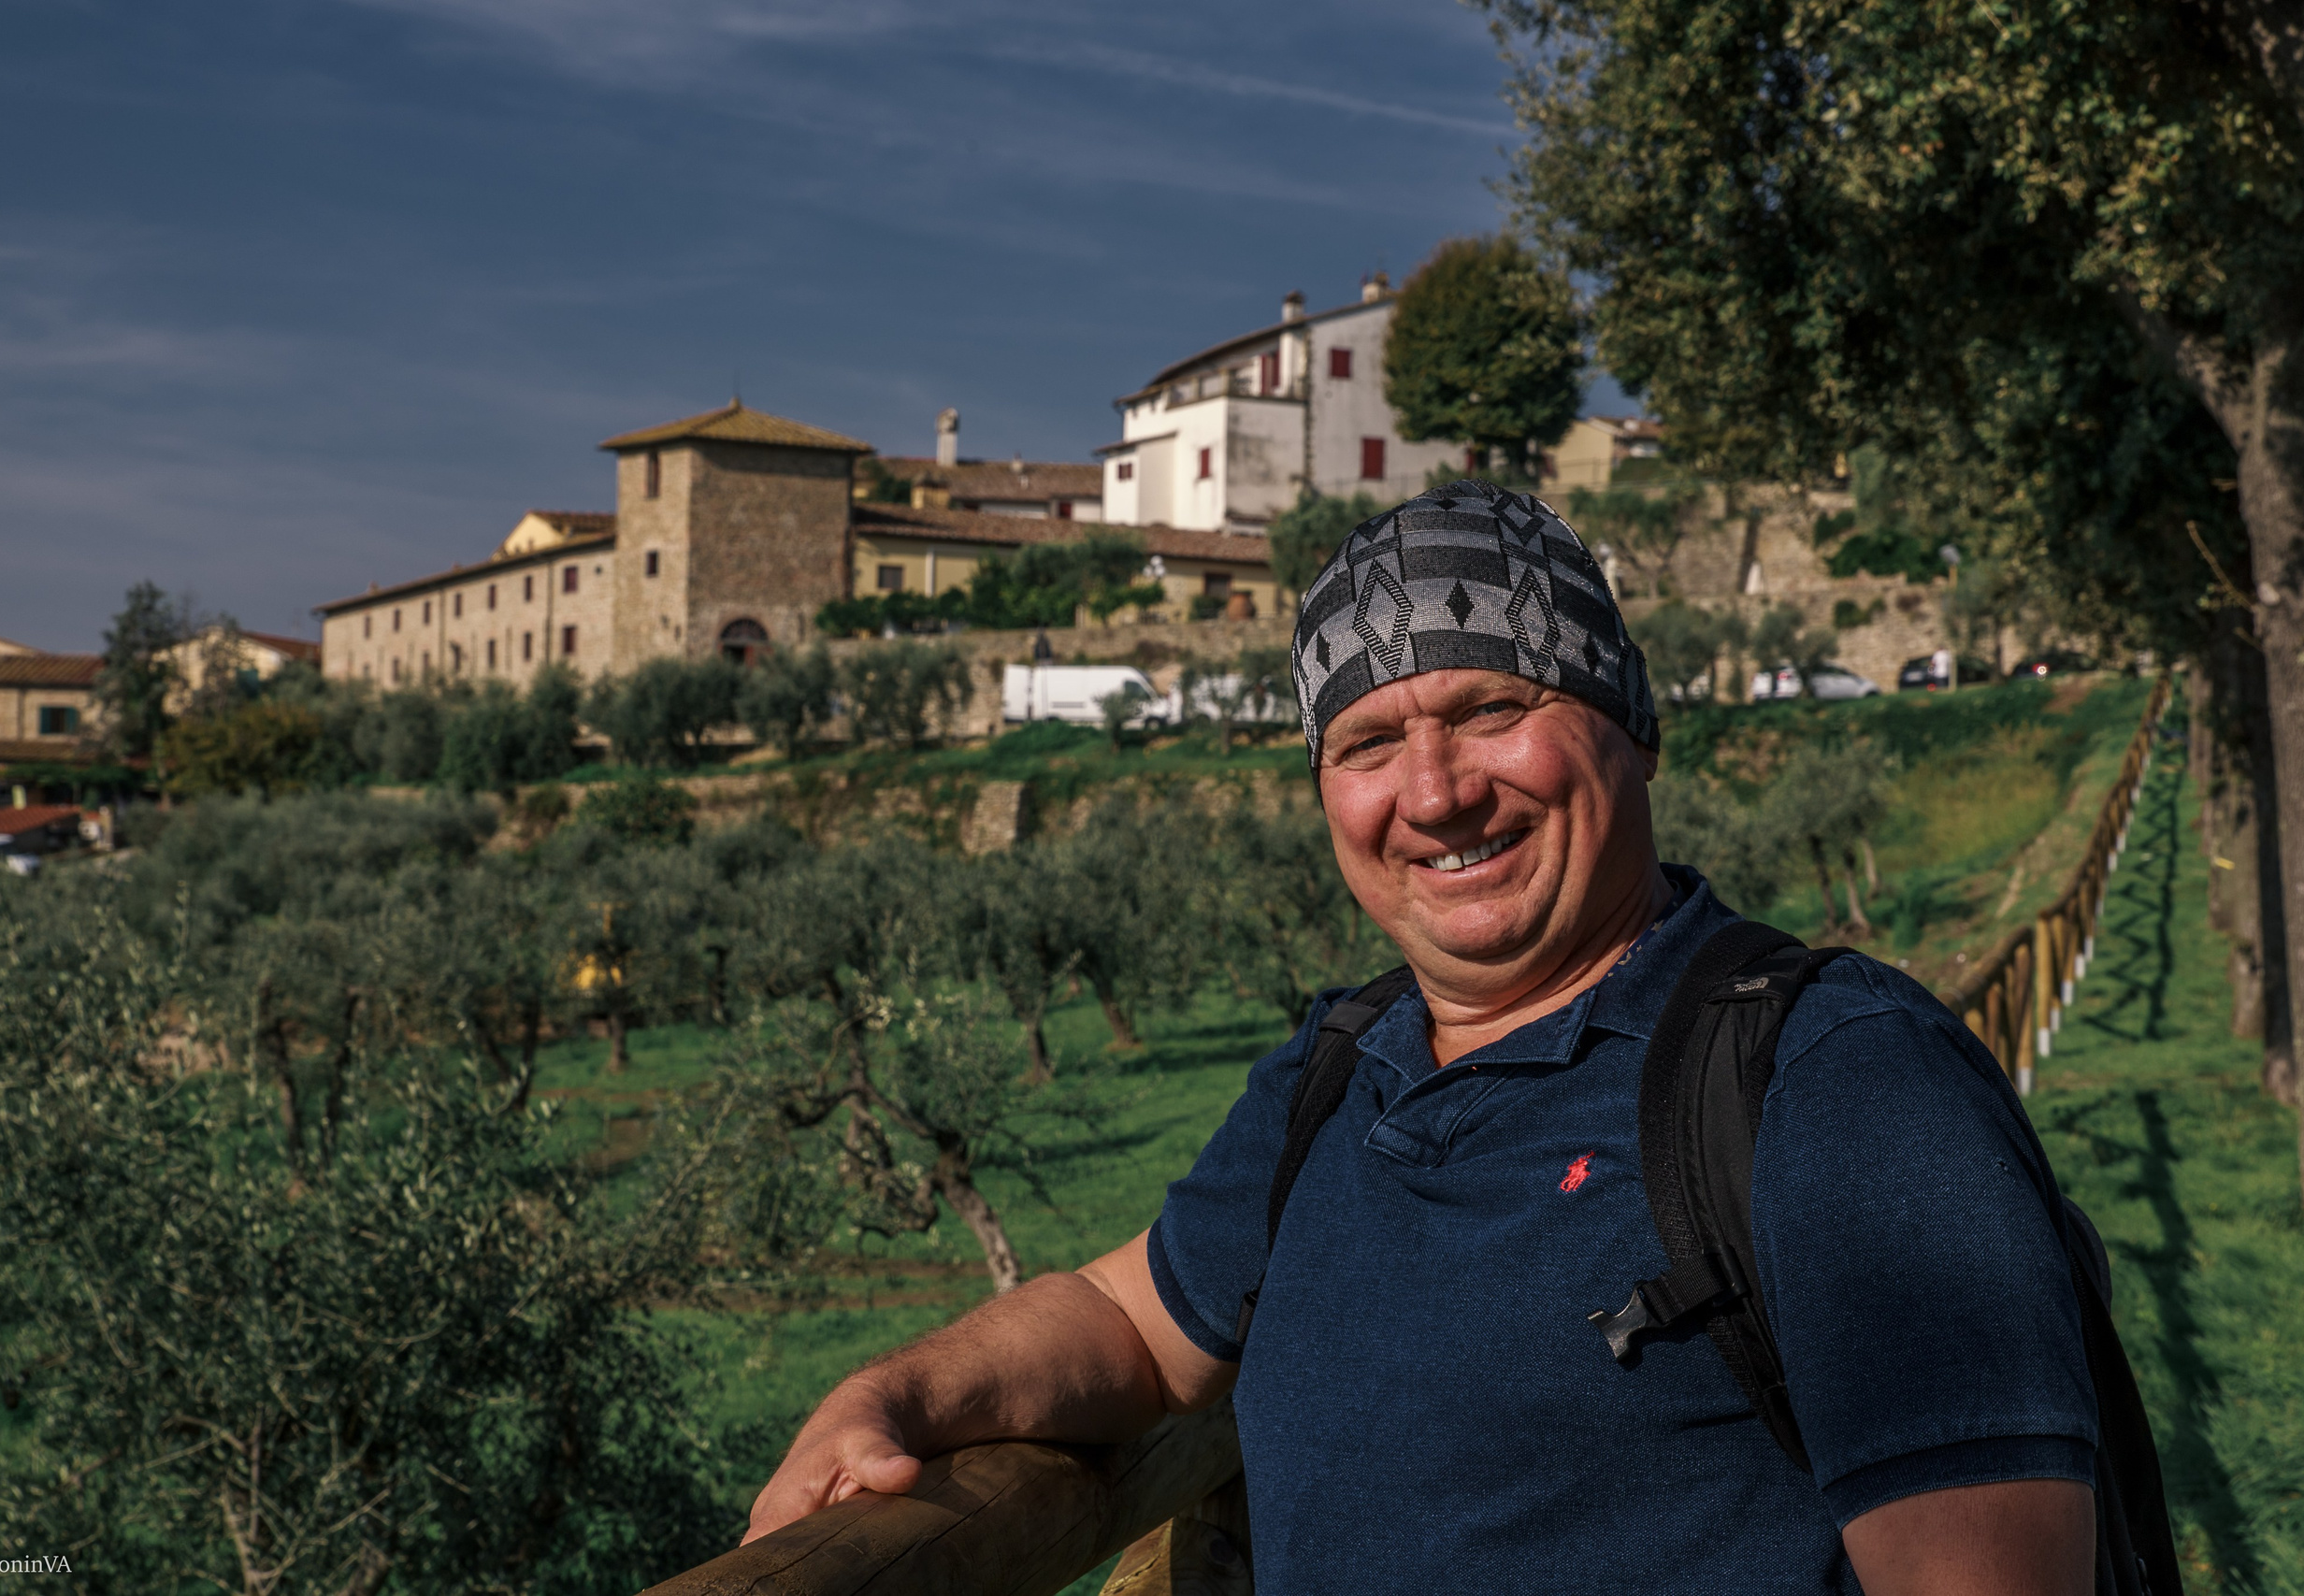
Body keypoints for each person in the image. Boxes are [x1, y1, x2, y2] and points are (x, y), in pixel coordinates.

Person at [748, 482, 2098, 1594]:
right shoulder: (1342, 1074)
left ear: (1633, 729)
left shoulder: (1836, 1082)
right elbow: (1125, 1321)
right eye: (1369, 740)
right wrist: (894, 1399)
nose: (1436, 794)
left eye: (1493, 711)